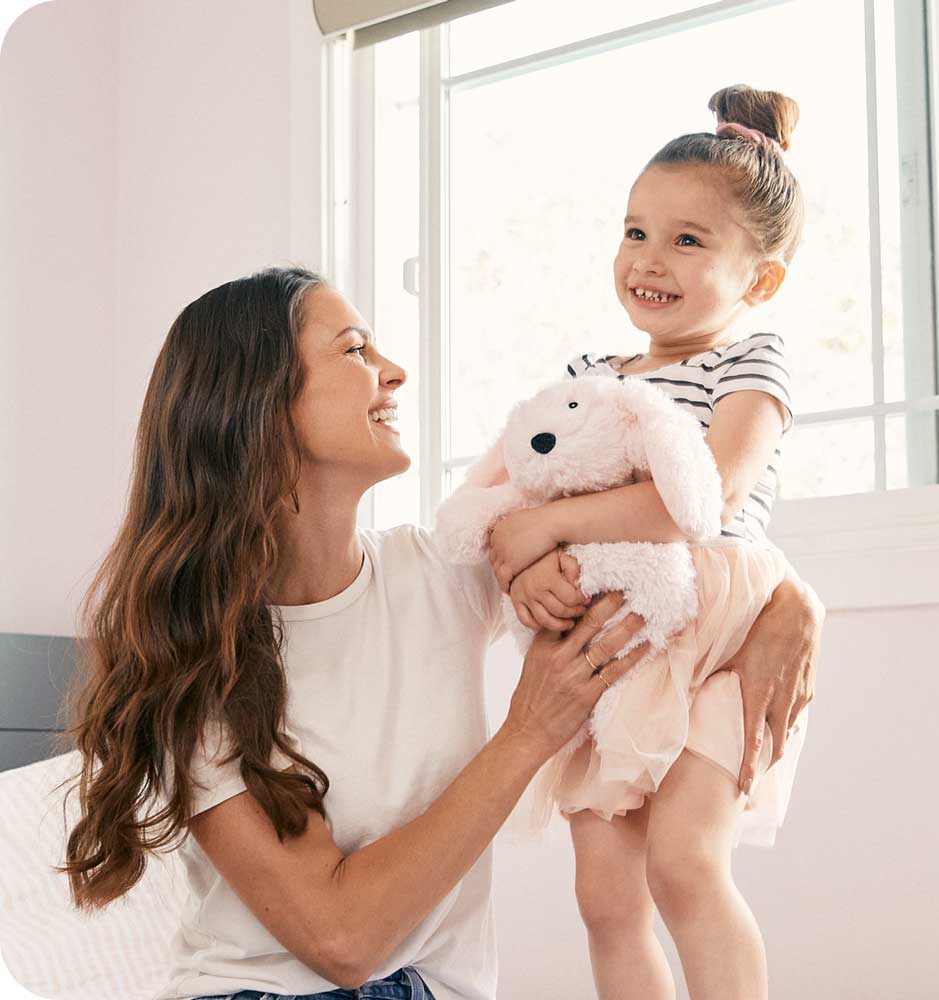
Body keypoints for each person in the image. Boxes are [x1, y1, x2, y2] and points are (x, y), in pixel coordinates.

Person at [53, 264, 822, 1000]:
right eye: (354, 349)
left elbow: (661, 543)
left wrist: (794, 600)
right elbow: (344, 942)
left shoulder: (437, 574)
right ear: (257, 404)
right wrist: (528, 732)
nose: (394, 370)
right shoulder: (189, 654)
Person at [485, 85, 815, 999]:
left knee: (683, 863)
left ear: (759, 280)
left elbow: (705, 497)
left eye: (687, 239)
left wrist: (548, 525)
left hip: (723, 635)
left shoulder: (753, 358)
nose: (648, 260)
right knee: (603, 895)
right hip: (619, 637)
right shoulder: (590, 375)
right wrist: (529, 561)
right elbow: (511, 498)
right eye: (635, 231)